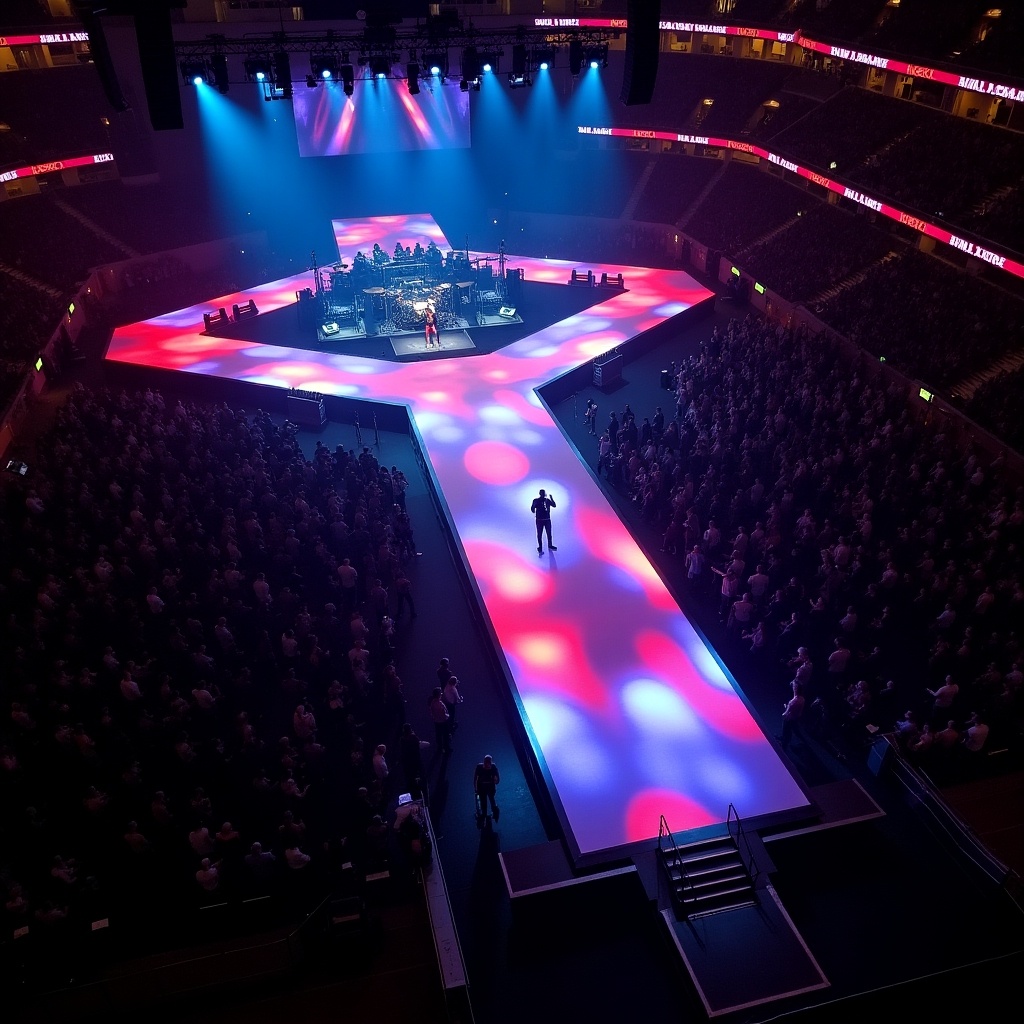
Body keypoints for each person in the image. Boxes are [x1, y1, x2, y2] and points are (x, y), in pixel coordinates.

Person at [531, 488, 557, 555]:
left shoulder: (547, 500)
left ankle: (550, 545)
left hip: (547, 520)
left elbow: (554, 505)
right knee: (539, 534)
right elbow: (532, 509)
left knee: (549, 534)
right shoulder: (536, 500)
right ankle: (540, 547)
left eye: (543, 493)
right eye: (541, 493)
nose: (543, 494)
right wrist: (533, 506)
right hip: (539, 520)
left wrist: (551, 499)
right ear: (540, 493)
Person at [474, 754, 500, 820]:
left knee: (492, 800)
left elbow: (497, 778)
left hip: (490, 786)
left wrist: (495, 780)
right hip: (482, 787)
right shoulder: (479, 767)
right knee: (483, 802)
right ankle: (484, 815)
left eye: (489, 762)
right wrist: (476, 789)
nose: (487, 764)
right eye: (486, 762)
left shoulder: (493, 767)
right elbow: (475, 779)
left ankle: (494, 813)